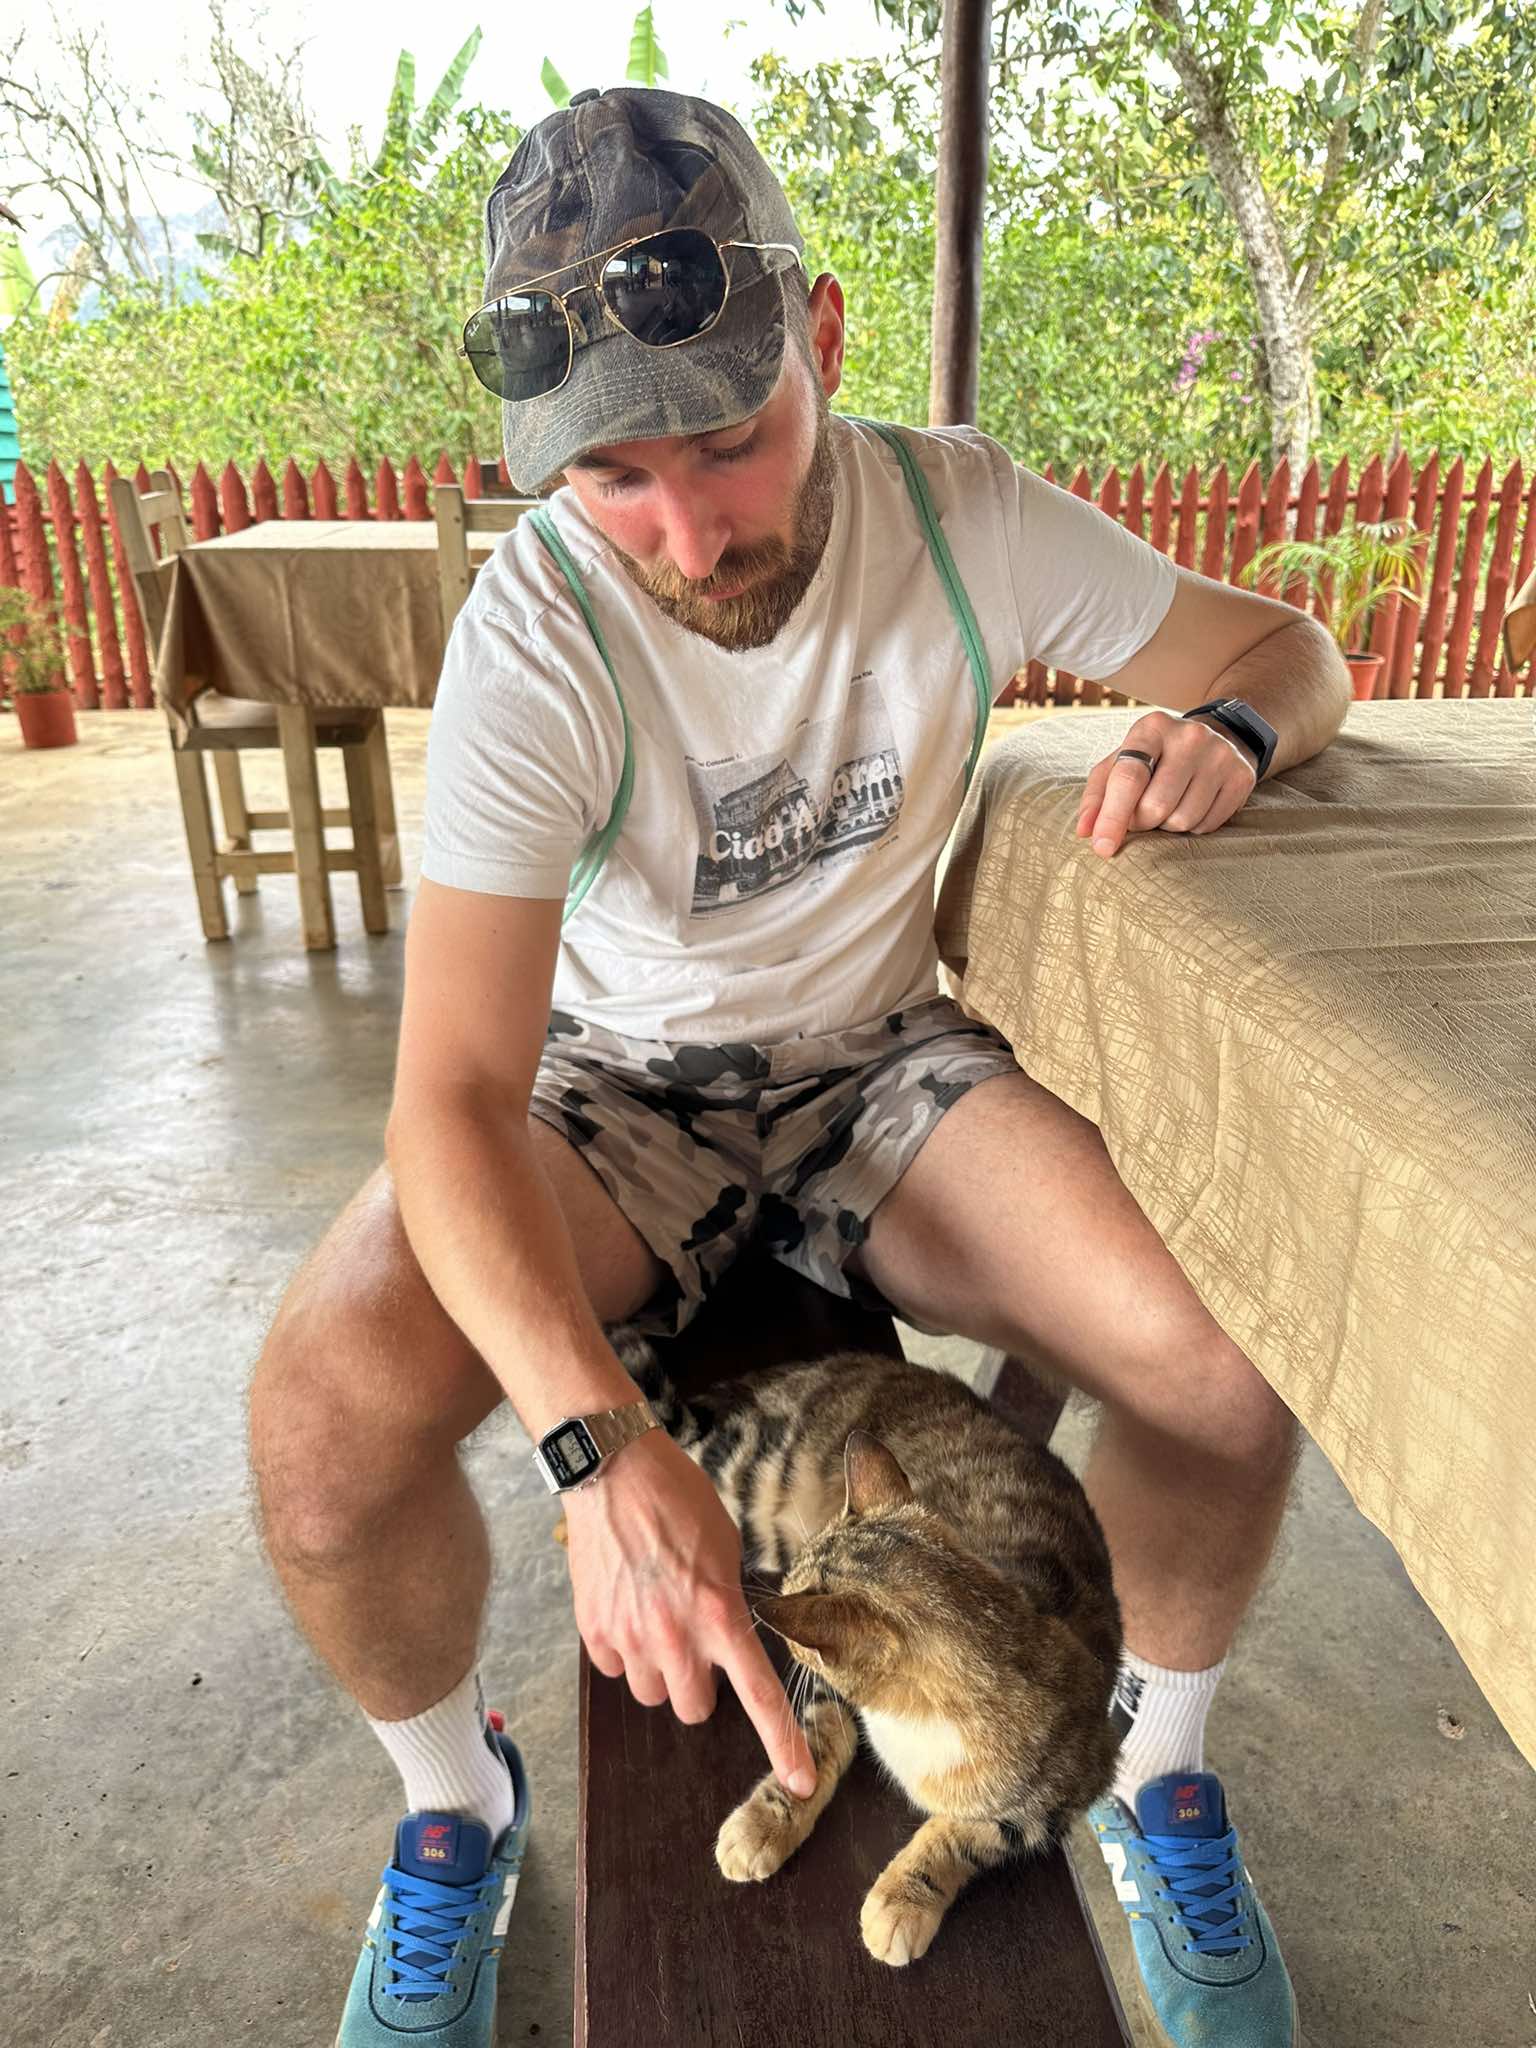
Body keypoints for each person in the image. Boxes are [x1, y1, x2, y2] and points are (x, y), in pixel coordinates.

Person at [248, 85, 1350, 2048]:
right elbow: (450, 1098)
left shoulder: (962, 514)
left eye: (730, 441)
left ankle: (1147, 1762)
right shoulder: (537, 634)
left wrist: (1235, 735)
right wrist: (596, 1449)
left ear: (820, 337)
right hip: (617, 1093)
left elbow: (1288, 648)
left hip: (879, 1066)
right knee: (318, 1434)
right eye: (617, 478)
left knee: (1230, 1360)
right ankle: (458, 1810)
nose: (690, 533)